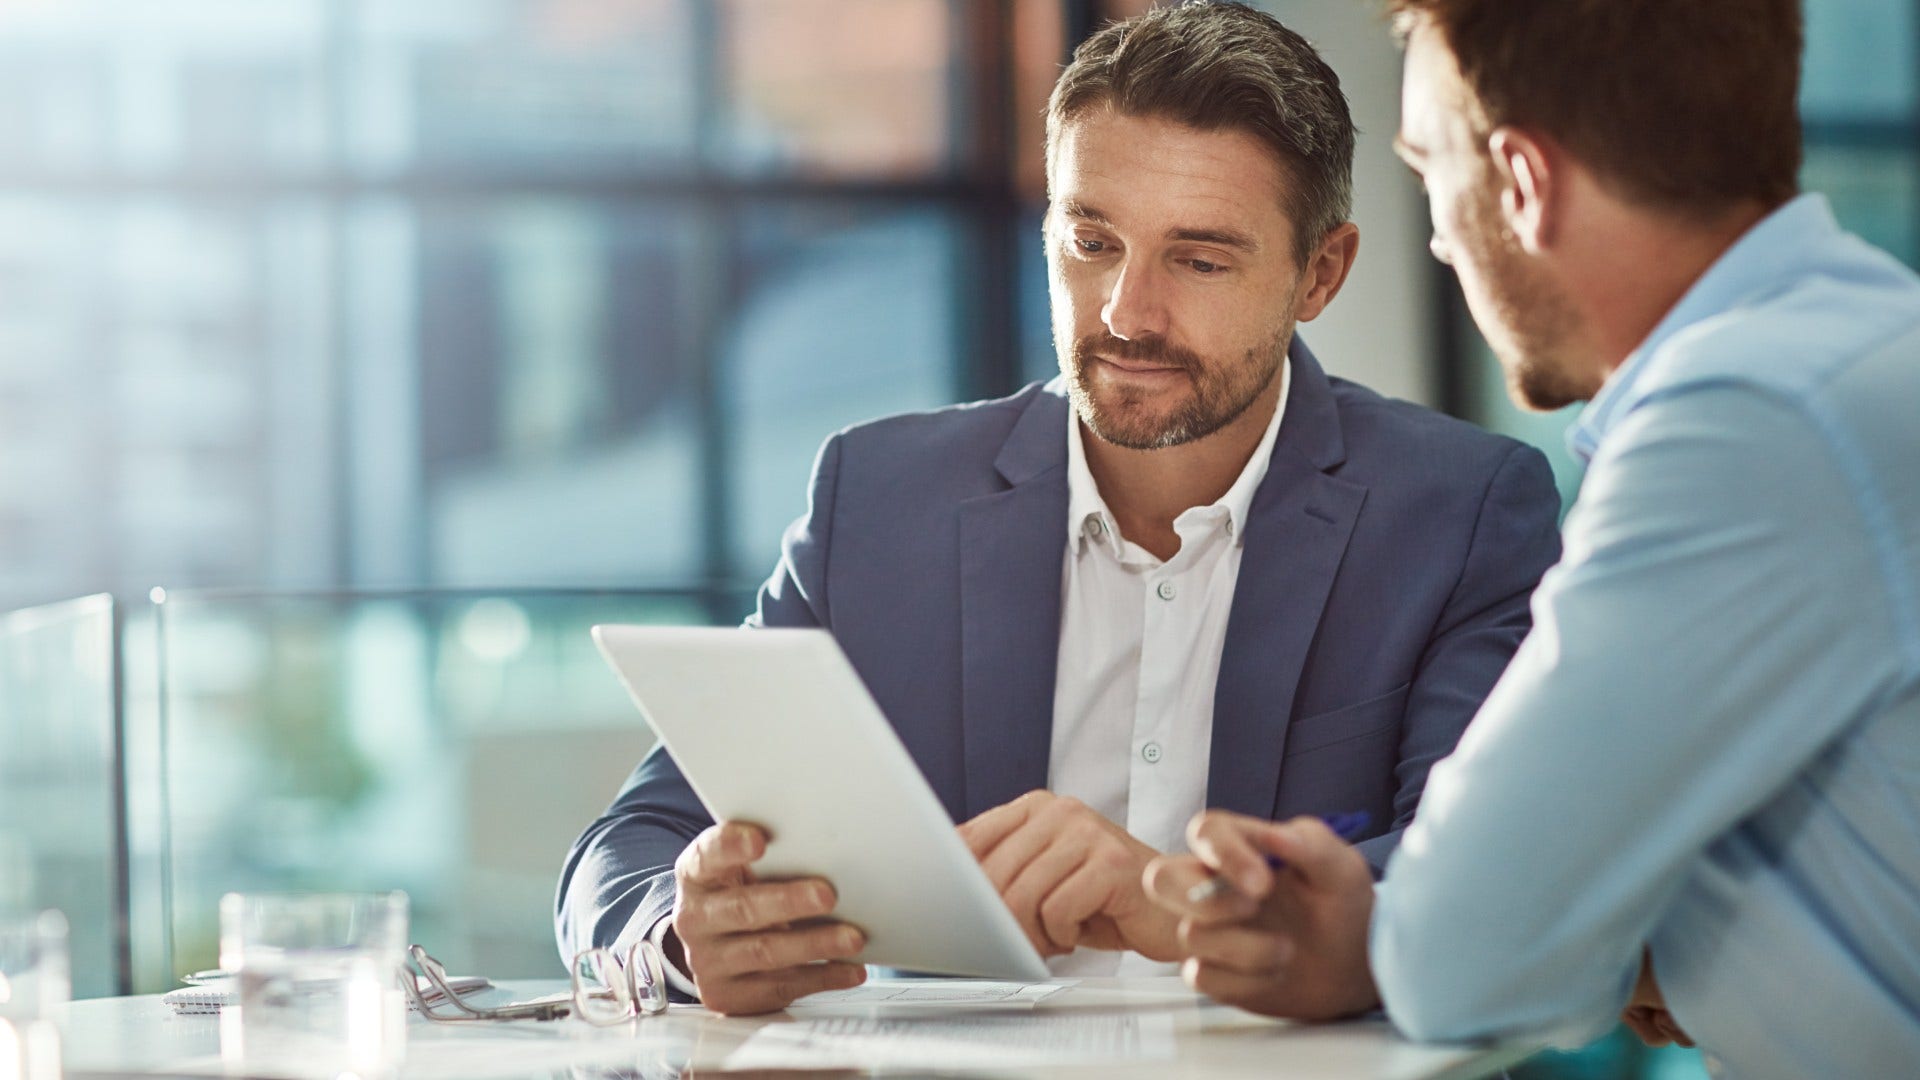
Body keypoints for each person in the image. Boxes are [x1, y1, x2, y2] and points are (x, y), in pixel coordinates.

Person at [557, 1, 1561, 1017]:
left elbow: (1494, 879)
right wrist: (682, 936)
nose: (1127, 313)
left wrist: (1167, 899)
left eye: (1200, 260)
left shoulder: (1461, 512)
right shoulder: (880, 501)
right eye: (1091, 242)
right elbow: (628, 847)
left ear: (1320, 274)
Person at [1143, 2, 1920, 1075]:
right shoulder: (1863, 347)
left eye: (1430, 174)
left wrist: (1382, 936)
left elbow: (1466, 949)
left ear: (1521, 182)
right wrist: (1626, 950)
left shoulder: (1746, 418)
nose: (1435, 236)